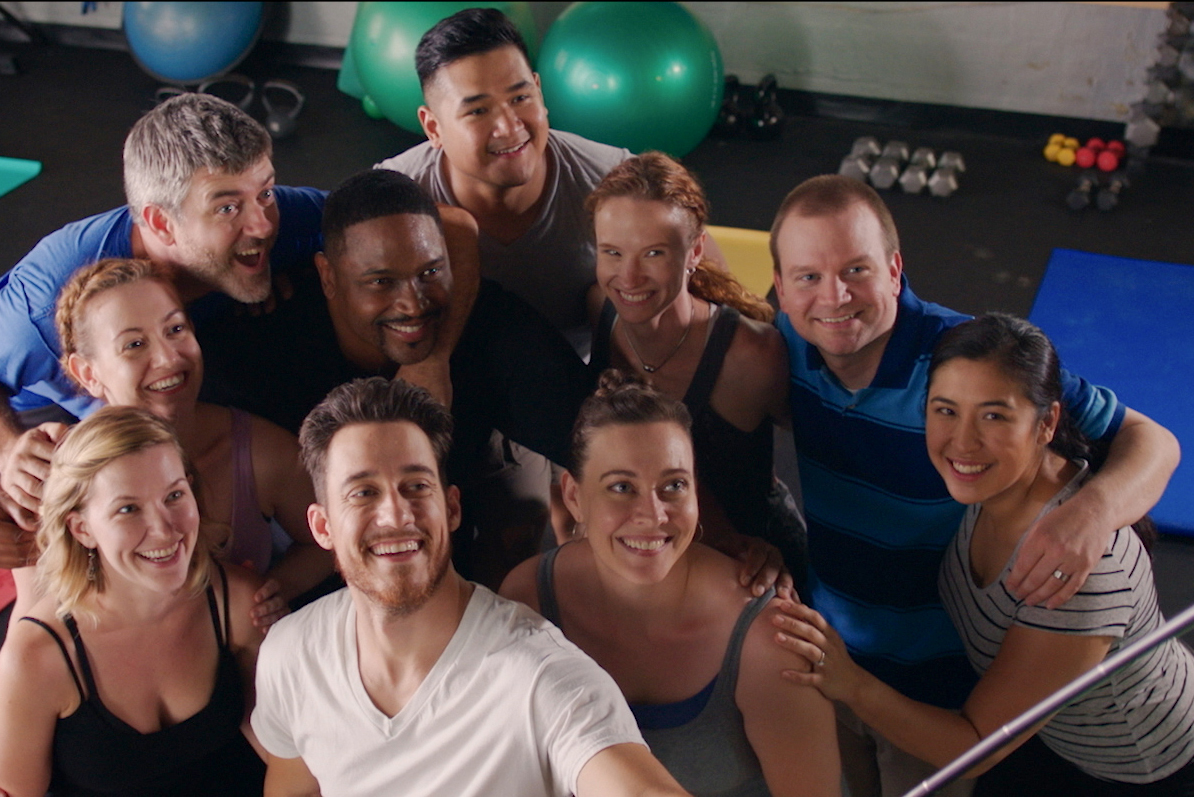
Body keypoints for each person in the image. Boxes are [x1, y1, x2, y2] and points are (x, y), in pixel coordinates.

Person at [767, 175, 1182, 796]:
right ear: (780, 287)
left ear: (895, 270)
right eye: (808, 276)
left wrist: (1091, 512)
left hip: (944, 689)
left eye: (856, 270)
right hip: (835, 655)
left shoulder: (969, 361)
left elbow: (1153, 440)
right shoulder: (787, 344)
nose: (834, 297)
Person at [253, 377, 689, 797]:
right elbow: (294, 787)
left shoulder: (541, 676)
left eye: (416, 486)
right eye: (363, 493)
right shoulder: (291, 655)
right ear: (323, 527)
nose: (396, 515)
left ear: (452, 509)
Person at [0, 93, 326, 527]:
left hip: (181, 376)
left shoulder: (283, 220)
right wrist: (7, 450)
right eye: (227, 208)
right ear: (160, 223)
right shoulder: (46, 303)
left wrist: (299, 270)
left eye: (265, 192)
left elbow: (372, 210)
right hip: (59, 410)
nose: (262, 225)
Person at [220, 168, 592, 588]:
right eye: (381, 282)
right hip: (322, 581)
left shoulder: (490, 326)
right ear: (328, 277)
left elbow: (599, 442)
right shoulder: (265, 348)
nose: (413, 305)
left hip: (454, 566)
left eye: (430, 273)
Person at [500, 371, 841, 797]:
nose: (653, 515)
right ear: (573, 497)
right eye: (621, 487)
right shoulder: (529, 598)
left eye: (673, 485)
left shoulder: (768, 637)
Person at [0, 258, 331, 624]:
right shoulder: (56, 476)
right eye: (134, 344)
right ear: (88, 373)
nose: (167, 358)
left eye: (175, 329)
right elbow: (32, 624)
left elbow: (330, 538)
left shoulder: (260, 453)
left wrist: (273, 590)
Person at [0, 406, 267, 797]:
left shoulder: (238, 603)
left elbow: (288, 759)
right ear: (82, 529)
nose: (164, 530)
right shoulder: (39, 655)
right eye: (128, 509)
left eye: (174, 496)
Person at [584, 152, 800, 591]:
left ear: (695, 251)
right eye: (612, 253)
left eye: (653, 253)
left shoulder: (752, 355)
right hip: (648, 552)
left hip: (752, 566)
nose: (629, 276)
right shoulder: (599, 309)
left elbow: (828, 449)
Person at [376, 6, 632, 356]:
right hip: (451, 363)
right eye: (478, 110)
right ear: (434, 128)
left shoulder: (616, 181)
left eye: (520, 98)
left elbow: (700, 284)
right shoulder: (391, 197)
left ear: (539, 92)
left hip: (584, 371)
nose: (510, 127)